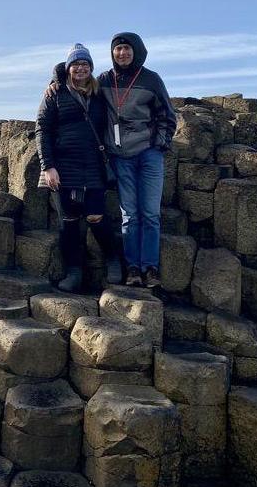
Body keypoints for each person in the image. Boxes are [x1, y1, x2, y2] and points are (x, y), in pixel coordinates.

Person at [52, 32, 177, 288]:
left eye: (127, 49)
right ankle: (132, 268)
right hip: (121, 157)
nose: (122, 53)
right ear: (112, 53)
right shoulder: (105, 80)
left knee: (150, 214)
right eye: (118, 49)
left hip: (148, 154)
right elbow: (77, 78)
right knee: (129, 215)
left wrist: (158, 146)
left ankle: (150, 268)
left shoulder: (151, 79)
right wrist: (55, 78)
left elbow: (168, 115)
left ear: (137, 51)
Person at [36, 43, 121, 292]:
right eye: (75, 64)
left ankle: (113, 260)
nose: (80, 68)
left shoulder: (99, 93)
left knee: (96, 216)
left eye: (85, 64)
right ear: (68, 68)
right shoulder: (55, 93)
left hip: (93, 165)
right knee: (69, 221)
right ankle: (74, 273)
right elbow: (42, 129)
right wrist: (48, 166)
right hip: (64, 165)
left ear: (91, 68)